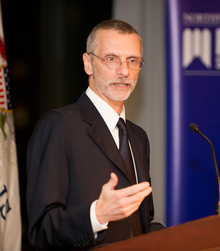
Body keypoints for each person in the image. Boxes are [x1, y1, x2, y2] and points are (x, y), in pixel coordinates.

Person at [26, 19, 164, 251]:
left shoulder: (138, 137)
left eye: (133, 61)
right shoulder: (59, 125)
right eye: (111, 59)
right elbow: (41, 229)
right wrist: (96, 215)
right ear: (88, 63)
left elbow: (140, 223)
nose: (124, 71)